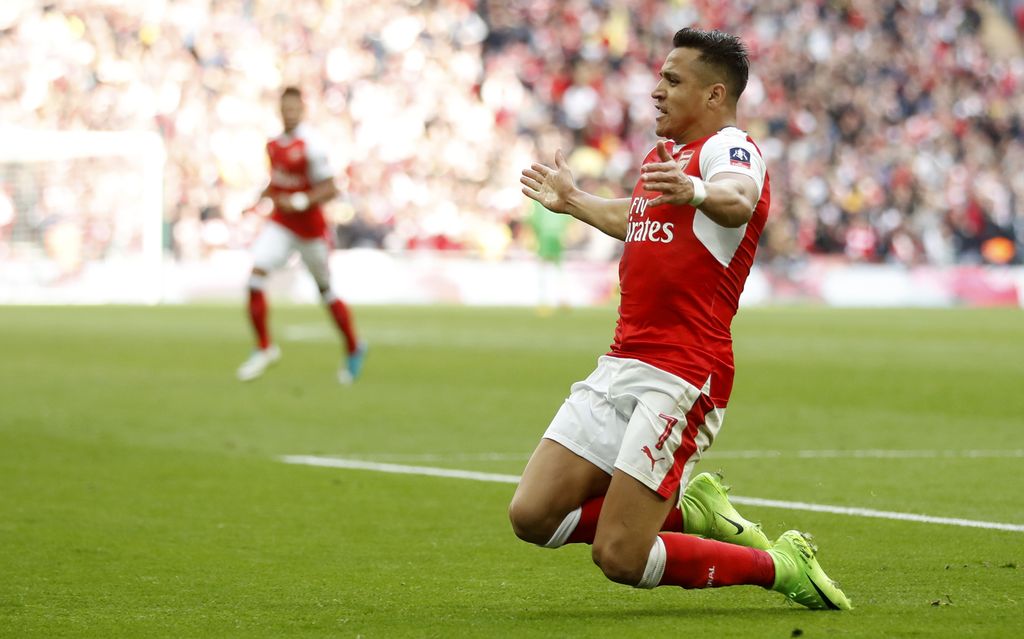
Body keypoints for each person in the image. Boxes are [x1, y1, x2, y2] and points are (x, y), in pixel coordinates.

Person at [510, 28, 851, 610]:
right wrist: (574, 202)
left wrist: (693, 189)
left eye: (672, 80)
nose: (656, 91)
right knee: (533, 515)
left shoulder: (730, 147)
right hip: (621, 361)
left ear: (714, 95)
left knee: (620, 556)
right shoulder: (663, 160)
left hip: (682, 373)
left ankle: (779, 565)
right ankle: (691, 510)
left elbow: (737, 198)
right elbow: (637, 216)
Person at [236, 86, 367, 384]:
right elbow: (277, 181)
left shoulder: (312, 145)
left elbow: (332, 187)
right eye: (285, 108)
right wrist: (255, 203)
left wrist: (302, 201)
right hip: (282, 224)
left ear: (302, 110)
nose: (289, 113)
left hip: (310, 230)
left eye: (294, 108)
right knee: (255, 276)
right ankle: (264, 347)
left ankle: (353, 347)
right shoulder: (273, 144)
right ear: (279, 110)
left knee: (325, 292)